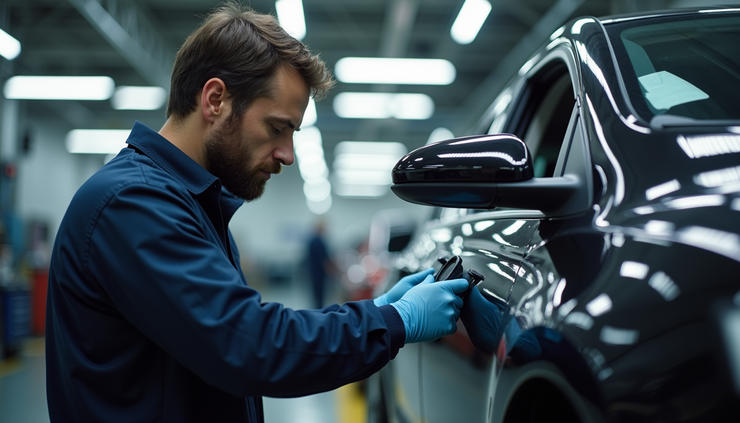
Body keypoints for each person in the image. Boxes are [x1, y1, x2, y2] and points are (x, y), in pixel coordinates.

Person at [44, 3, 469, 423]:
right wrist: (392, 321)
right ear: (215, 100)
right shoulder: (133, 202)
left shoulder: (191, 203)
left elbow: (238, 333)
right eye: (276, 127)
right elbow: (249, 345)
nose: (286, 155)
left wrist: (379, 312)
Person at [306, 219, 333, 308]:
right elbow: (324, 260)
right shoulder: (318, 242)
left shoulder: (312, 241)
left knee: (316, 297)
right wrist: (333, 272)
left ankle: (317, 313)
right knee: (319, 297)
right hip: (319, 274)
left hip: (313, 273)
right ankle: (319, 315)